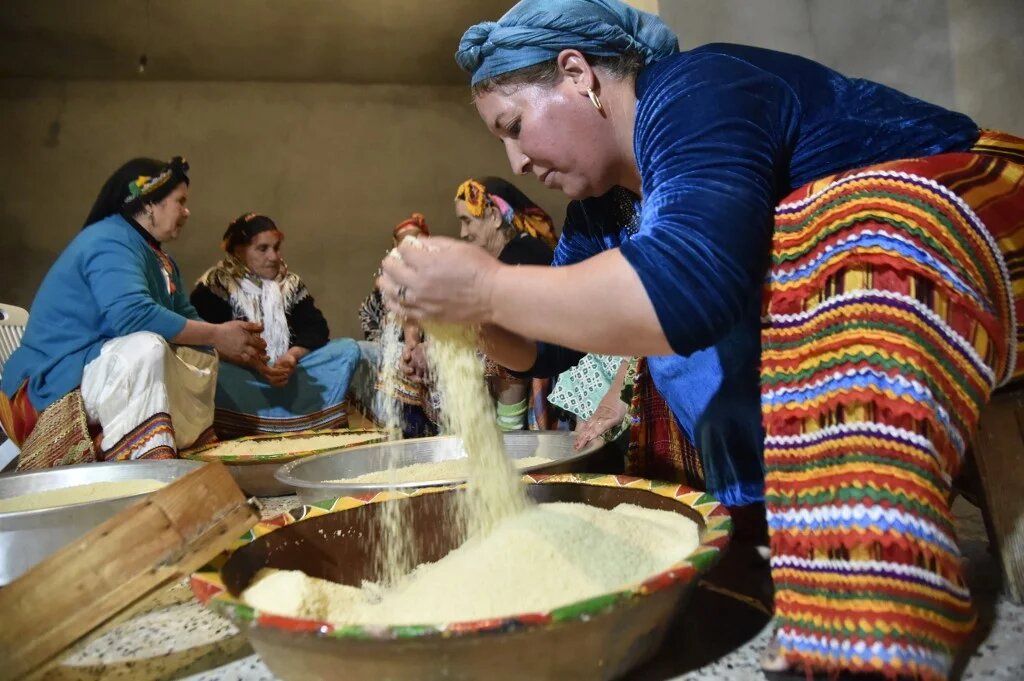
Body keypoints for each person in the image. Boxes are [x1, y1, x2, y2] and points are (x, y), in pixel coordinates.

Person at [378, 1, 1024, 678]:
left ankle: (872, 607)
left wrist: (488, 287)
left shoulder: (698, 89)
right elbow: (548, 349)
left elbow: (690, 286)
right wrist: (467, 315)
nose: (516, 160)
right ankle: (765, 529)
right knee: (664, 348)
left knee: (835, 226)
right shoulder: (600, 208)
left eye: (515, 127)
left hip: (973, 214)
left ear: (576, 74)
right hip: (893, 275)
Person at [0, 157, 264, 469]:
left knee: (200, 354)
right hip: (48, 386)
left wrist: (237, 347)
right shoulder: (108, 240)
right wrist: (218, 335)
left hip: (92, 372)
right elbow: (133, 316)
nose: (186, 212)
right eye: (180, 202)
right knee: (146, 347)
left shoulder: (158, 256)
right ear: (149, 203)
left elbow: (187, 316)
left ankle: (176, 454)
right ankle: (141, 467)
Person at [190, 213, 360, 437]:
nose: (273, 256)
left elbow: (316, 328)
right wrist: (257, 365)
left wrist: (291, 357)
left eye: (276, 248)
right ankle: (248, 421)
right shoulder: (216, 284)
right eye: (262, 249)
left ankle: (300, 418)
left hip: (287, 375)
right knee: (209, 365)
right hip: (245, 380)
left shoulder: (290, 284)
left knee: (347, 349)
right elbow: (205, 338)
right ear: (239, 251)